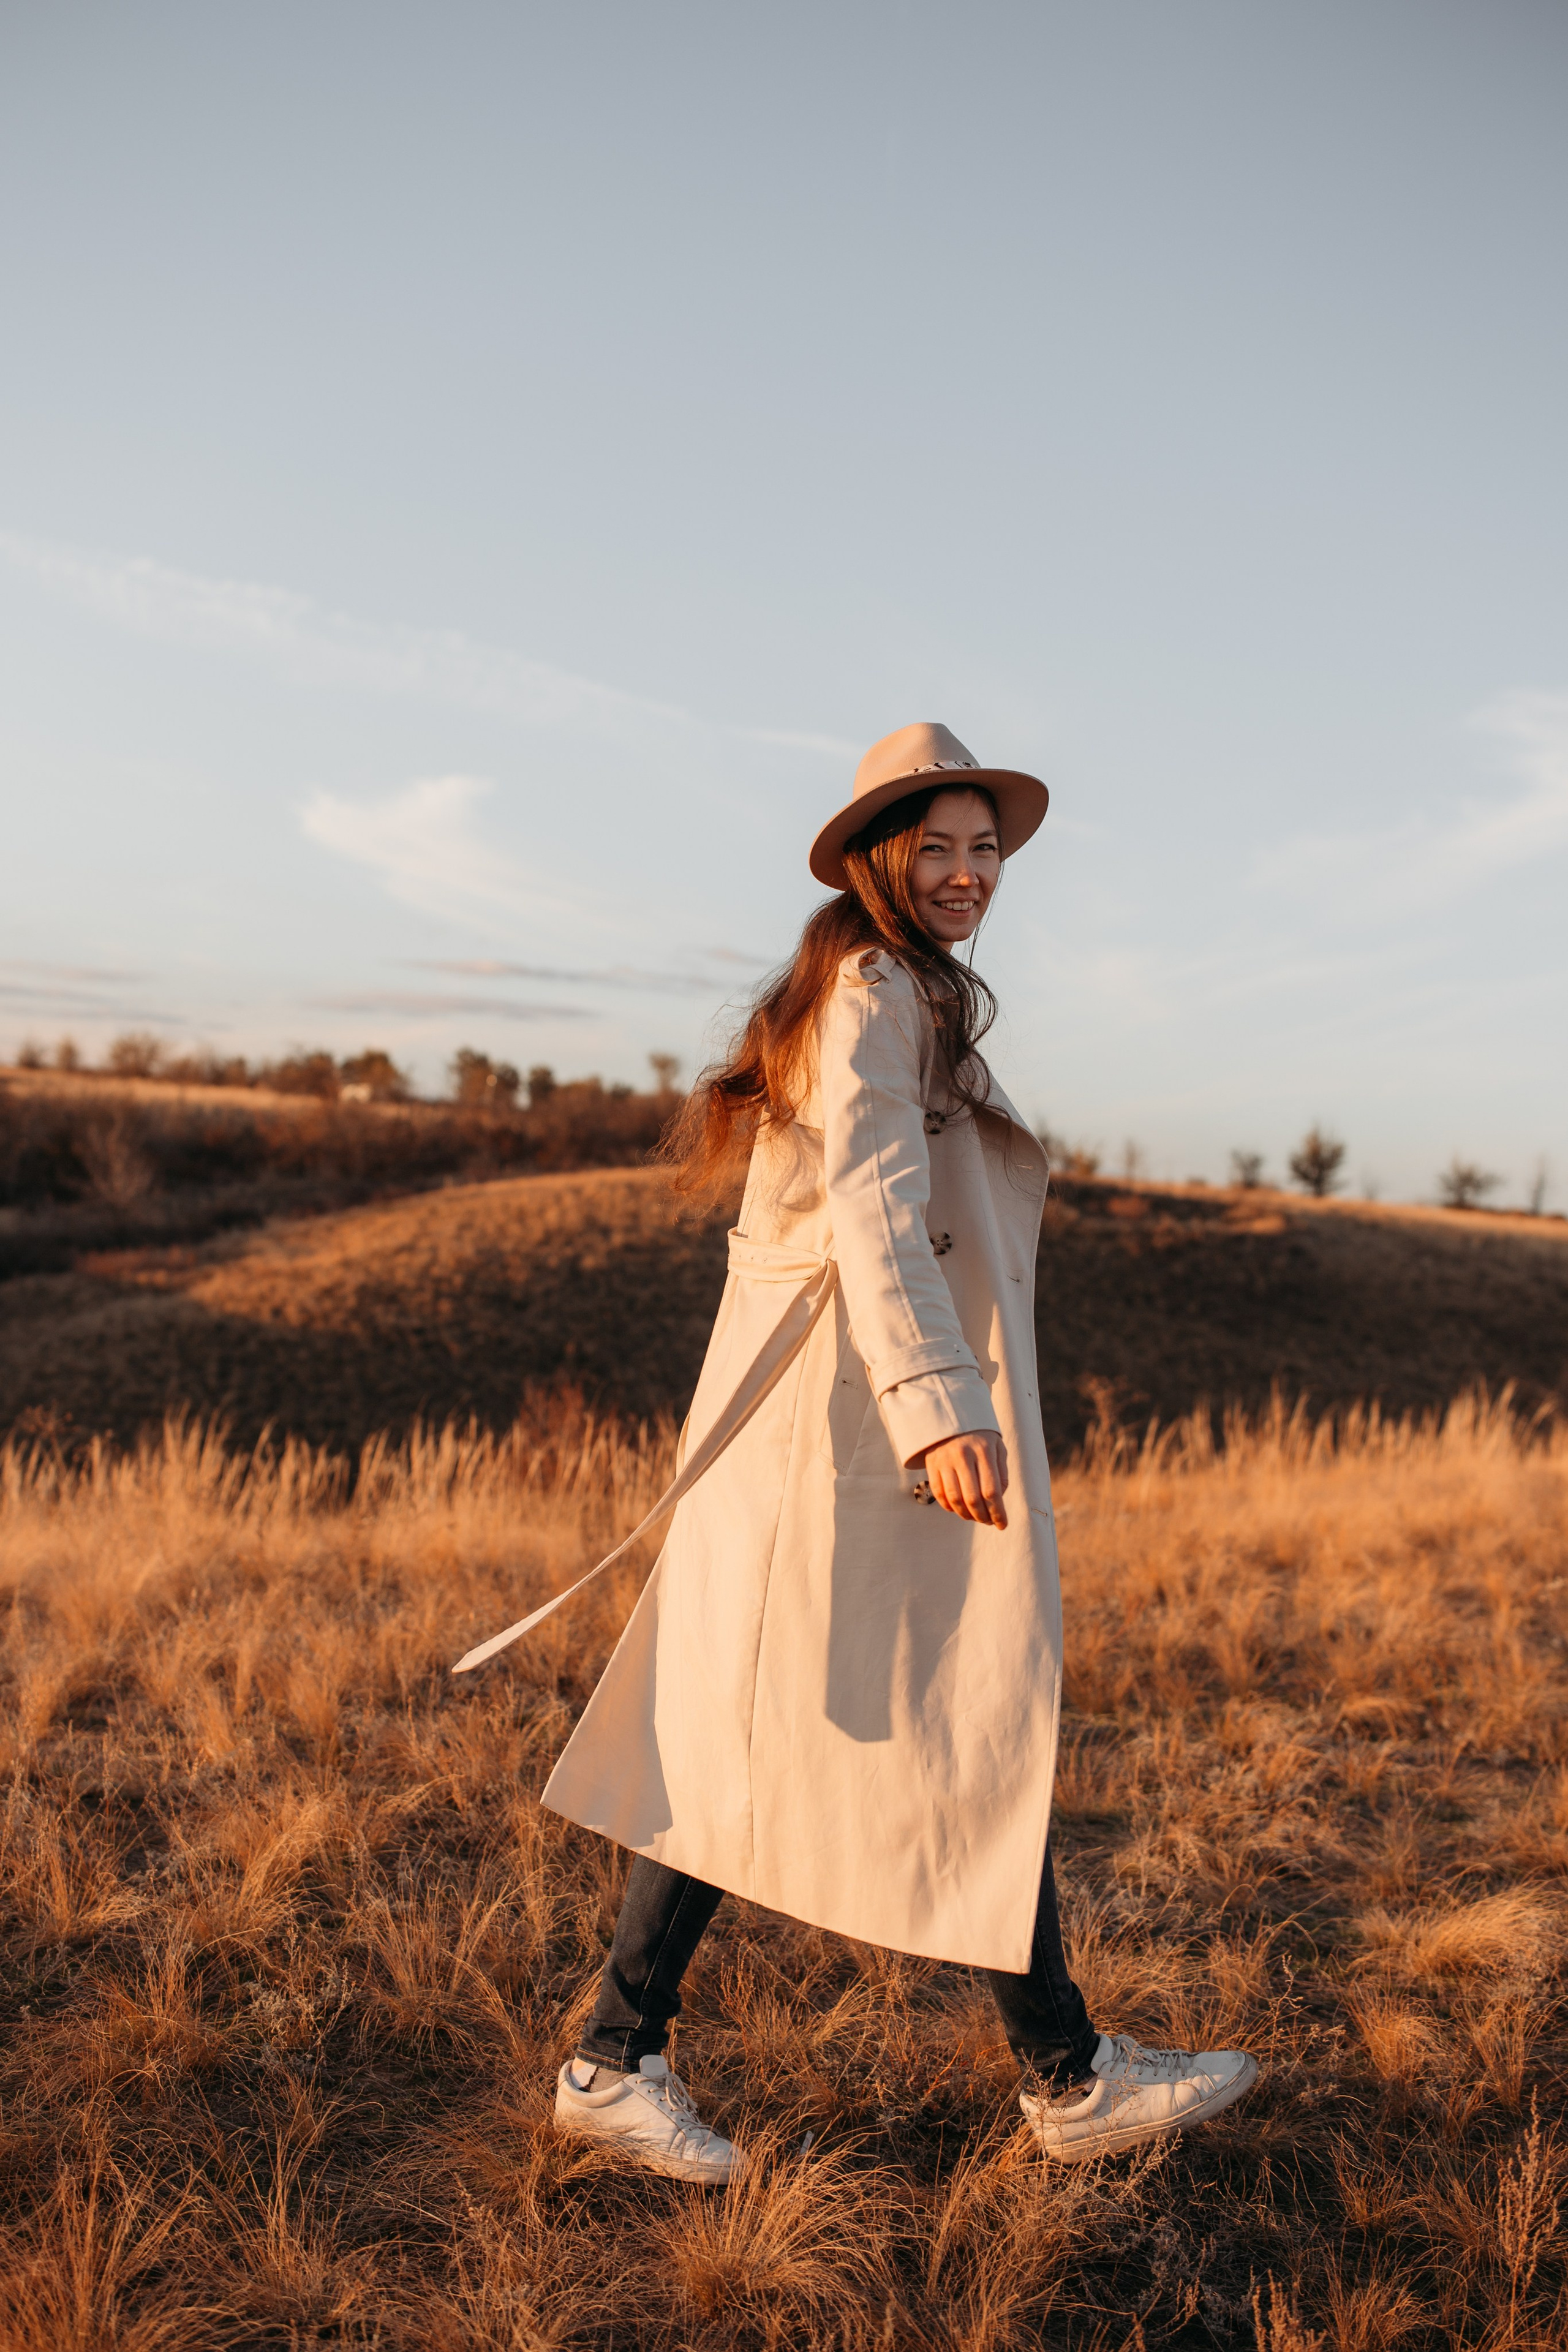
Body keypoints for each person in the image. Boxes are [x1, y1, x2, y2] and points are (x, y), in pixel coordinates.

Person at [539, 722, 1257, 2179]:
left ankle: (627, 2058)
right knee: (931, 1711)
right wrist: (941, 1402)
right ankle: (1057, 2078)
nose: (965, 872)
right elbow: (872, 1204)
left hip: (842, 1426)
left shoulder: (888, 987)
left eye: (983, 848)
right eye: (935, 846)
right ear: (878, 857)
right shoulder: (871, 987)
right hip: (848, 1431)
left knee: (844, 1720)